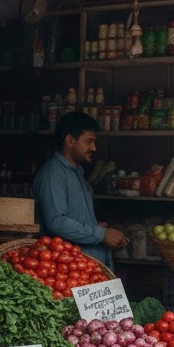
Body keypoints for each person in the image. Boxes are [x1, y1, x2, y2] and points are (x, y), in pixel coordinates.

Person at [33, 111, 127, 269]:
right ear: (70, 140)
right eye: (88, 141)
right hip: (68, 270)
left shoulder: (77, 173)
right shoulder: (53, 174)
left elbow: (71, 217)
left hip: (86, 267)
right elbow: (56, 222)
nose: (94, 148)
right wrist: (101, 234)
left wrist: (96, 227)